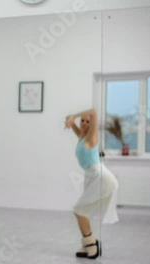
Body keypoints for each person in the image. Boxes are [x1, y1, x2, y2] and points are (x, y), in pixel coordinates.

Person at [65, 108, 119, 260]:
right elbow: (75, 126)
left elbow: (94, 111)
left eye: (88, 122)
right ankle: (88, 243)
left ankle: (92, 245)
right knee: (82, 212)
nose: (84, 123)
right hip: (91, 176)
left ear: (92, 124)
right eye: (82, 121)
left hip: (100, 177)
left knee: (79, 211)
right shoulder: (82, 137)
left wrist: (74, 115)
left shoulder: (92, 137)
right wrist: (70, 120)